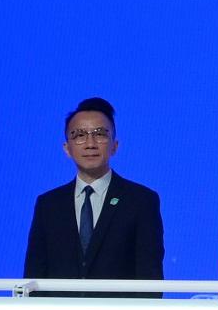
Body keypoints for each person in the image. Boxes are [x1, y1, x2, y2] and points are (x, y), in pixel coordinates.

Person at [22, 97, 164, 284]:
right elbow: (34, 275)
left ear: (114, 146)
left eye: (100, 134)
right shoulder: (48, 205)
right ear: (67, 148)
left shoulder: (141, 201)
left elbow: (150, 277)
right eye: (79, 135)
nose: (90, 143)